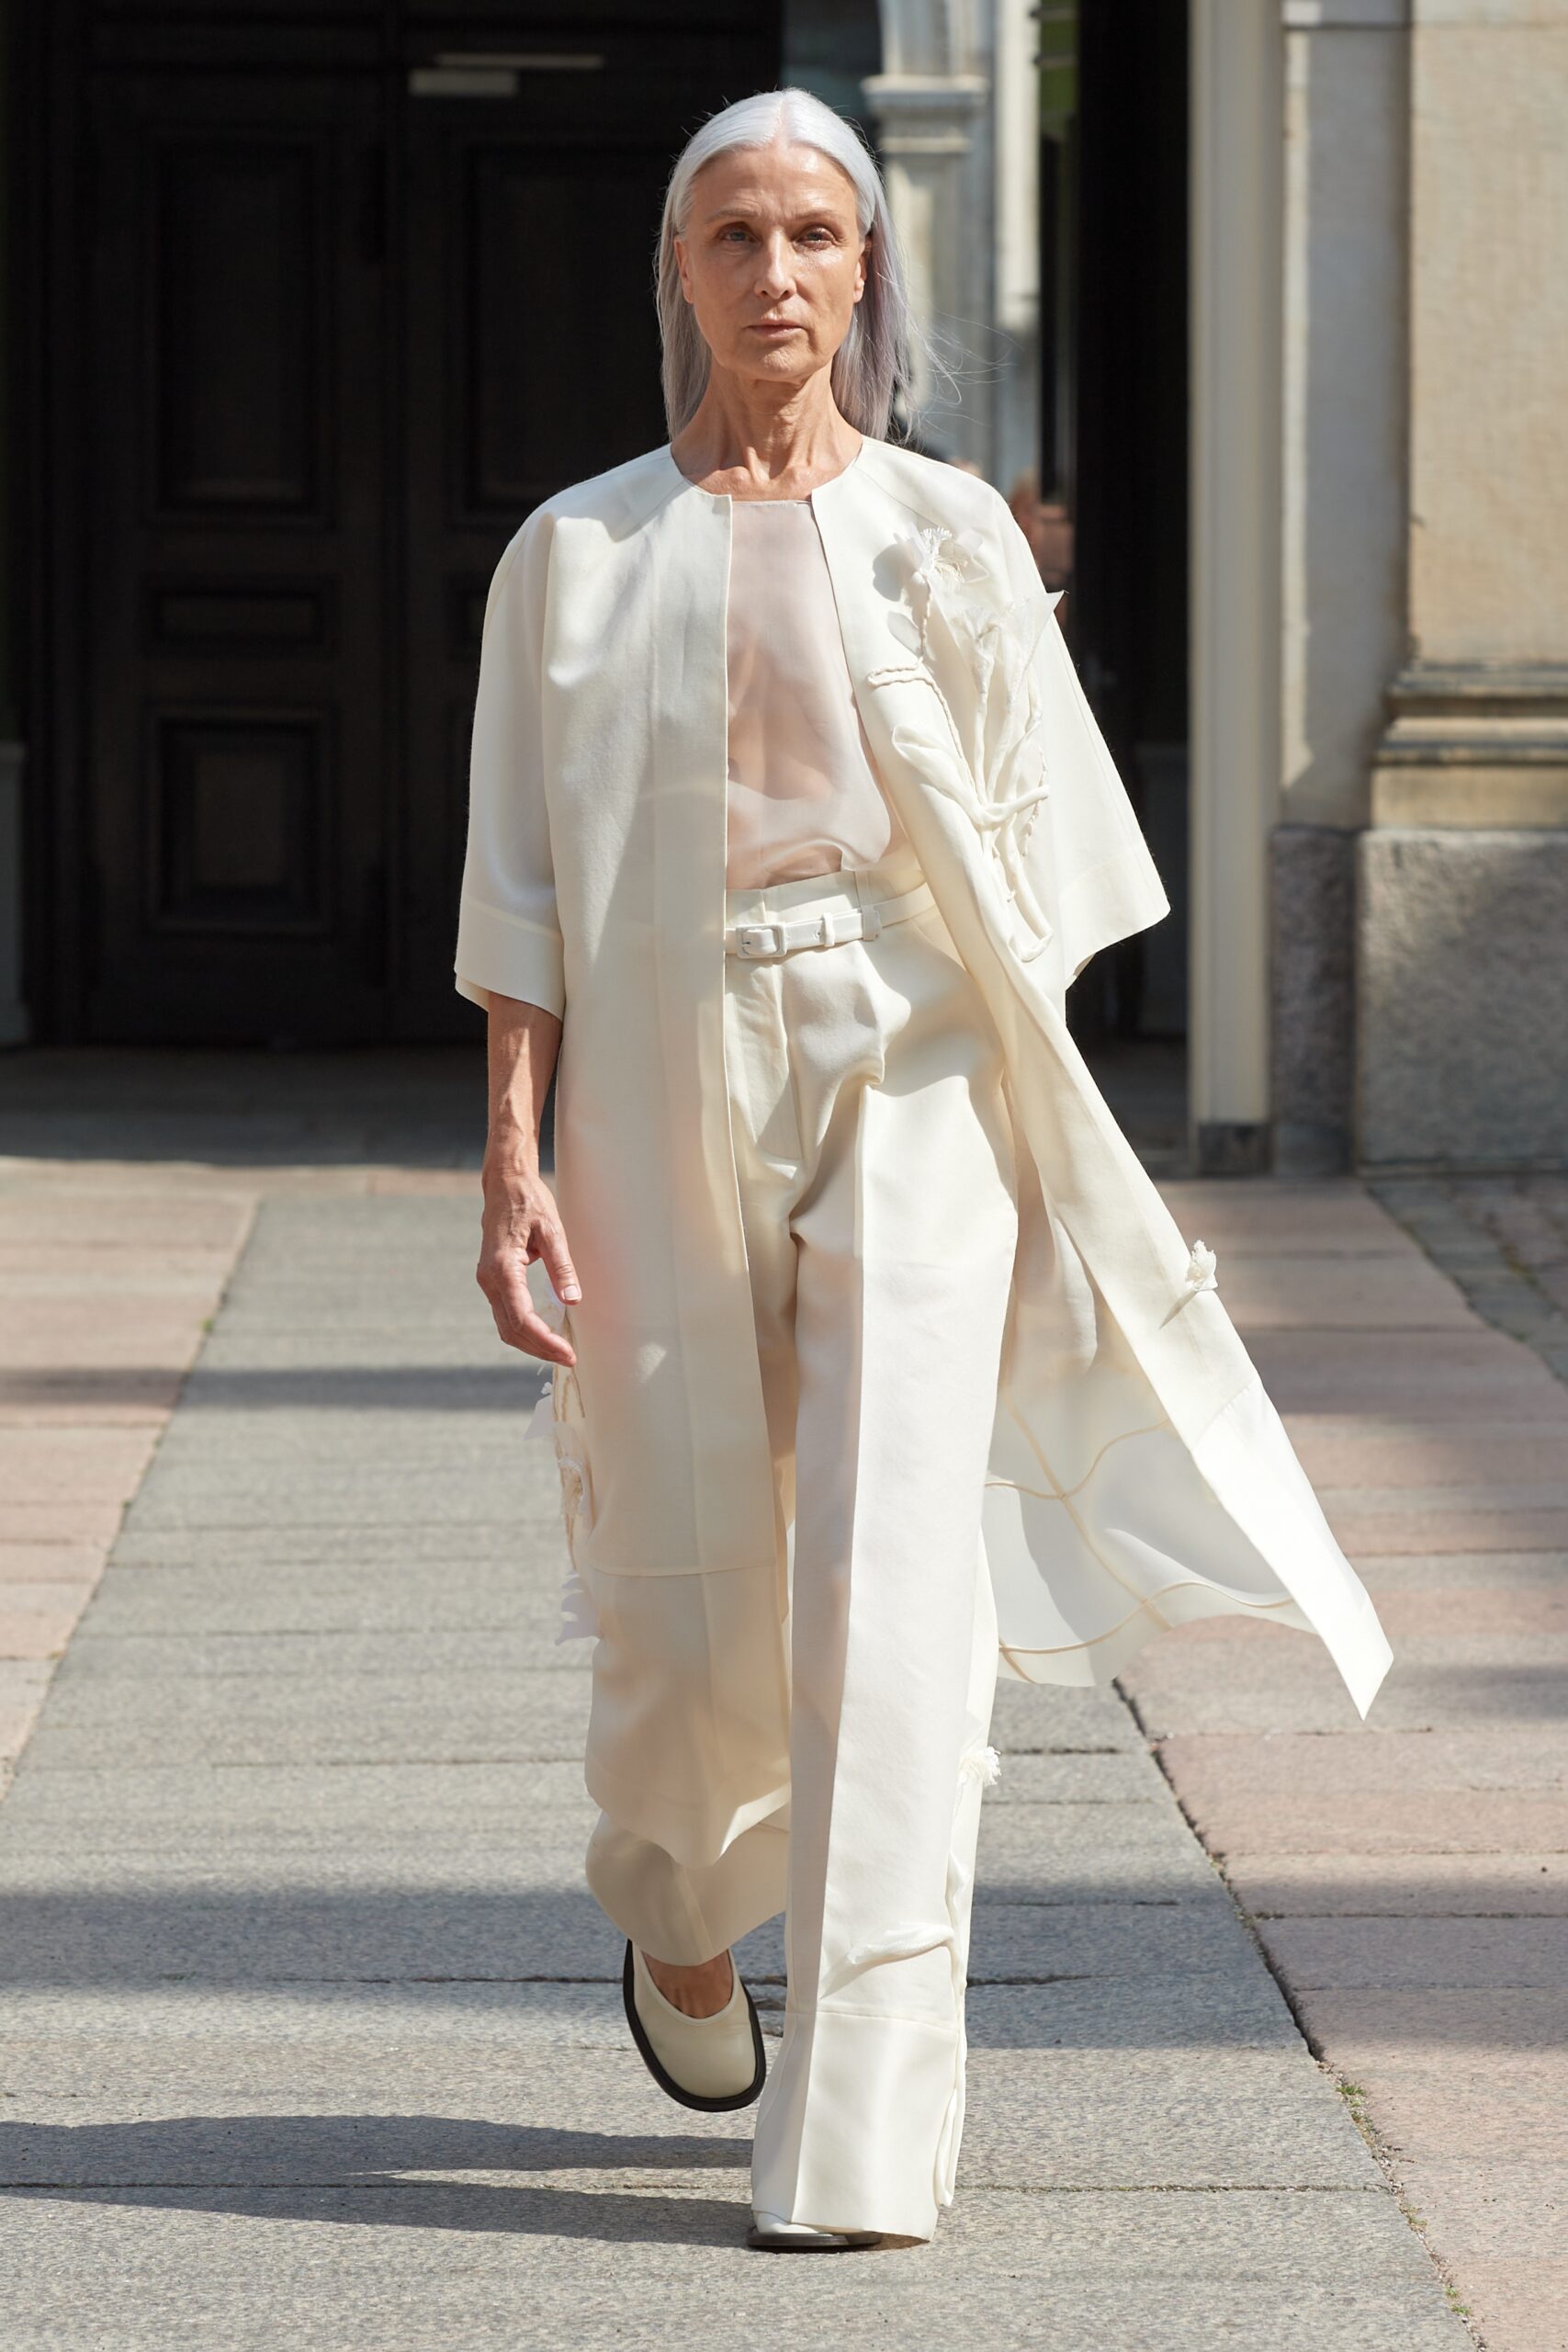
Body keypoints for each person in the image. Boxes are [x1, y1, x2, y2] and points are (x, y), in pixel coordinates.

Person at [456, 87, 1392, 2255]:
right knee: (679, 1604)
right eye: (729, 236)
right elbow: (519, 887)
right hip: (655, 1066)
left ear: (866, 270)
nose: (771, 271)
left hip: (911, 1054)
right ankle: (680, 1916)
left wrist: (1049, 1150)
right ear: (676, 277)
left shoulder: (956, 532)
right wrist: (509, 1151)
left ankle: (859, 2130)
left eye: (810, 233)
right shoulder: (572, 553)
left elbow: (1045, 876)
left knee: (895, 1579)